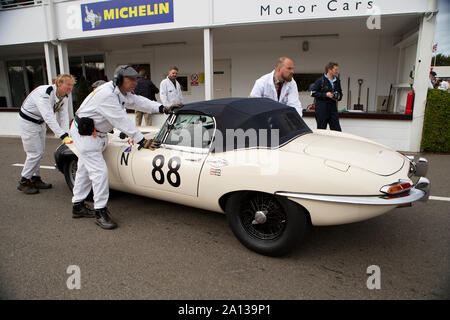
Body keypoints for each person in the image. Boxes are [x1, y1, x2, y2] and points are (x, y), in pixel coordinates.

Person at [70, 65, 179, 230]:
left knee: (84, 170)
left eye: (136, 79)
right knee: (99, 173)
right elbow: (121, 120)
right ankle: (100, 211)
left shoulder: (120, 91)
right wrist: (141, 141)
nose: (135, 83)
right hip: (86, 135)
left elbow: (138, 101)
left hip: (95, 134)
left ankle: (77, 206)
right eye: (131, 80)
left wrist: (161, 108)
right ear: (119, 80)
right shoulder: (107, 95)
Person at [18, 74, 75, 195]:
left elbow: (63, 116)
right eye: (68, 85)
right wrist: (61, 135)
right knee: (34, 153)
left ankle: (35, 178)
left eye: (72, 85)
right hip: (28, 122)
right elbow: (49, 117)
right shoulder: (45, 93)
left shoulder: (65, 96)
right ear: (59, 83)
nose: (70, 88)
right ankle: (24, 181)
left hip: (40, 122)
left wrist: (67, 135)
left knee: (40, 151)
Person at [310, 62, 343, 131]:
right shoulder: (320, 81)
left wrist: (338, 97)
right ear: (329, 70)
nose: (337, 72)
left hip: (333, 108)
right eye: (335, 70)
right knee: (321, 131)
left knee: (337, 131)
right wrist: (325, 95)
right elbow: (312, 93)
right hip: (322, 109)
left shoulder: (337, 81)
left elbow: (340, 93)